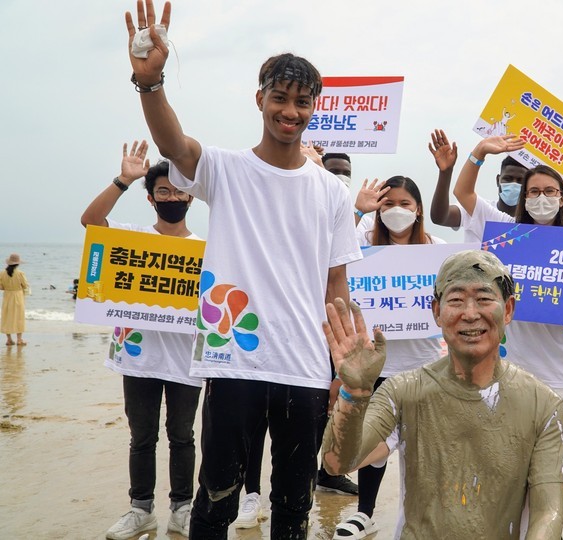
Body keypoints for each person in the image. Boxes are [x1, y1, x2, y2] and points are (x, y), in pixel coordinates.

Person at [124, 2, 362, 538]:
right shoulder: (226, 169)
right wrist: (151, 82)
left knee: (293, 508)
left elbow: (335, 286)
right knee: (216, 503)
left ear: (313, 108)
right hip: (235, 363)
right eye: (280, 98)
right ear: (261, 99)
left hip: (304, 367)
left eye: (302, 102)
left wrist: (339, 368)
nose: (290, 112)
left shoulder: (332, 192)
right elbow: (172, 145)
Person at [320, 250, 563, 538]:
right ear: (437, 311)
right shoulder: (403, 391)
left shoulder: (543, 404)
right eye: (456, 300)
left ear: (508, 309)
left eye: (485, 299)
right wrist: (355, 393)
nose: (470, 313)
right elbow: (338, 463)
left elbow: (548, 511)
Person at [81, 140, 202, 539]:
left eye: (179, 190)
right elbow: (91, 221)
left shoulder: (206, 249)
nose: (172, 197)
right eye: (163, 191)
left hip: (186, 360)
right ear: (151, 198)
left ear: (191, 195)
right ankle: (141, 509)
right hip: (136, 357)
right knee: (142, 437)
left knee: (183, 437)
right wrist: (122, 180)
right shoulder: (131, 238)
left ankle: (182, 508)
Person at [332, 175, 446, 539]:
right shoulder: (363, 246)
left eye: (405, 204)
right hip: (378, 367)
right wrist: (356, 210)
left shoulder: (439, 250)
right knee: (373, 445)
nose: (397, 211)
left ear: (419, 210)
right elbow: (330, 252)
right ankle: (364, 513)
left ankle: (421, 516)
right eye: (388, 204)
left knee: (426, 449)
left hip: (426, 367)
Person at [453, 135, 563, 412]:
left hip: (557, 370)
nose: (542, 198)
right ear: (524, 199)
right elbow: (463, 194)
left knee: (552, 454)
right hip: (506, 368)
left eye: (550, 191)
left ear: (562, 199)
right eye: (533, 192)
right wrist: (479, 151)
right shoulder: (504, 229)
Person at [1, 253, 28, 347]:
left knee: (7, 317)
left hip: (7, 296)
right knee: (19, 317)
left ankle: (9, 340)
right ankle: (19, 340)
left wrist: (7, 287)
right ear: (18, 263)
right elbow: (25, 285)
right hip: (18, 296)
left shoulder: (2, 273)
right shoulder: (20, 273)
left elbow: (1, 287)